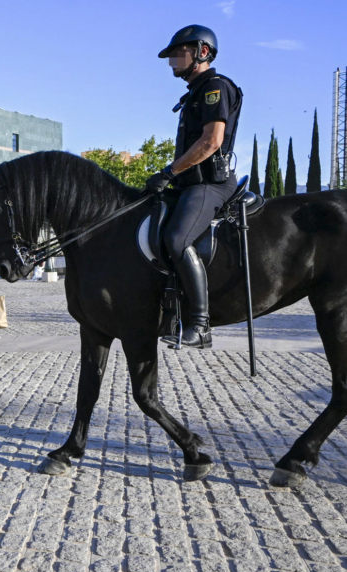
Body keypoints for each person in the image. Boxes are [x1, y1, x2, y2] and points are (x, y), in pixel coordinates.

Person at [145, 25, 242, 349]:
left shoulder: (215, 87)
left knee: (177, 238)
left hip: (210, 184)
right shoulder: (194, 93)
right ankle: (166, 313)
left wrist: (168, 172)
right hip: (189, 184)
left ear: (201, 51)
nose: (172, 59)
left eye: (178, 52)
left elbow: (211, 141)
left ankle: (200, 325)